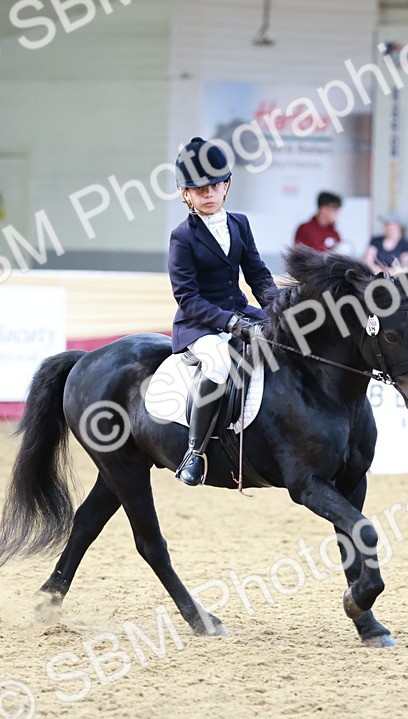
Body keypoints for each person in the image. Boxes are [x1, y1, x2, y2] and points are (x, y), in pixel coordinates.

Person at [168, 137, 278, 487]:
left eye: (215, 186)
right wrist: (229, 322)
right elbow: (187, 298)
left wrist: (278, 309)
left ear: (226, 186)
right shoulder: (182, 237)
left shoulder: (240, 224)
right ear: (185, 194)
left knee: (289, 340)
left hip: (240, 313)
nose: (209, 194)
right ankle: (194, 453)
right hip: (199, 325)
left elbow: (257, 275)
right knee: (218, 361)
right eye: (200, 190)